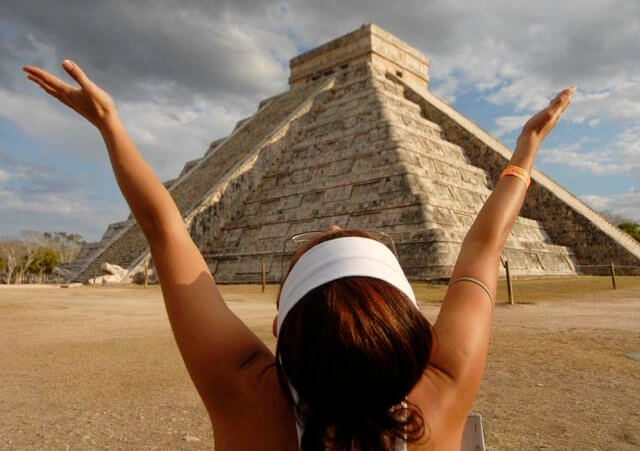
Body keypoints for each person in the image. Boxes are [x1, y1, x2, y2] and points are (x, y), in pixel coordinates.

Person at [23, 59, 574, 450]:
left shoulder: (255, 409)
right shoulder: (441, 396)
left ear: (279, 332)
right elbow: (482, 250)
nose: (333, 222)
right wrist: (524, 151)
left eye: (319, 240)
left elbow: (164, 228)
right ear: (414, 333)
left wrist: (110, 126)